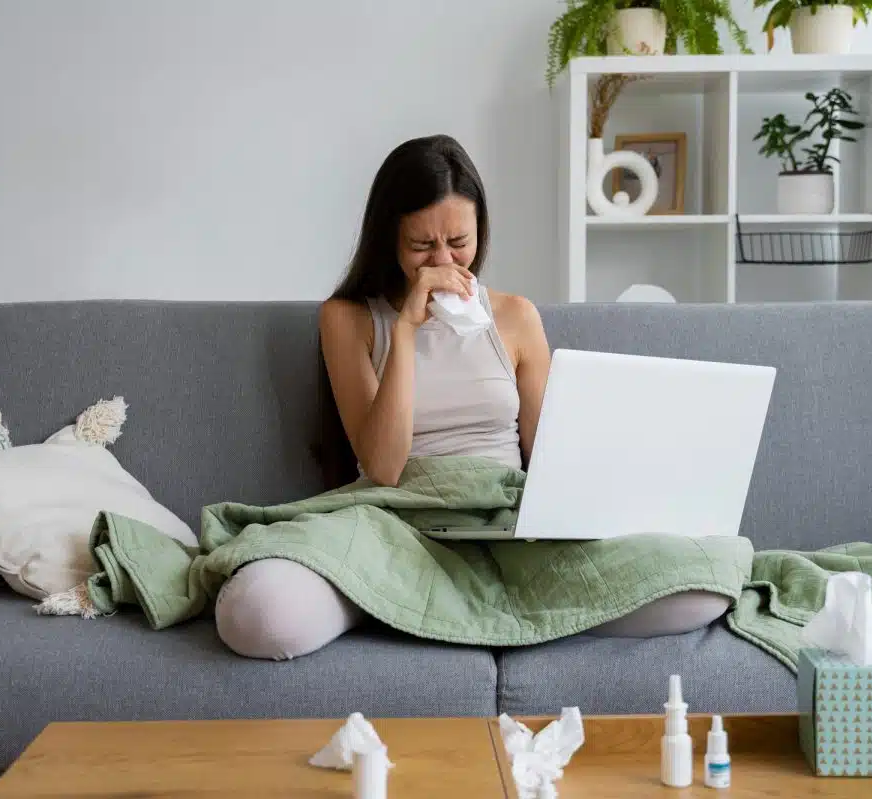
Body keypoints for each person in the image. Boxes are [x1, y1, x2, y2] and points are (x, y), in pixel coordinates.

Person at [215, 135, 728, 660]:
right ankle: (395, 594)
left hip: (503, 526)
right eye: (421, 247)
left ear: (481, 230)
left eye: (459, 241)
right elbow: (384, 466)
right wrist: (410, 328)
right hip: (396, 527)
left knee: (702, 585)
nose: (443, 260)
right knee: (257, 615)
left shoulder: (516, 317)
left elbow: (554, 461)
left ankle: (451, 607)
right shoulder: (349, 319)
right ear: (388, 239)